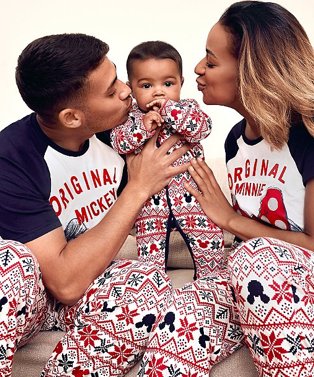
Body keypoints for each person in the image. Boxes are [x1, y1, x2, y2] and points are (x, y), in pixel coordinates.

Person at [137, 1, 314, 376]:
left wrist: (230, 220)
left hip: (288, 280)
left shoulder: (307, 135)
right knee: (184, 313)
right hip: (254, 285)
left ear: (252, 72)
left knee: (256, 256)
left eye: (211, 61)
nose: (198, 69)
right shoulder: (236, 141)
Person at [0, 33, 191, 376]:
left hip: (93, 287)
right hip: (30, 299)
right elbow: (64, 284)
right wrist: (138, 187)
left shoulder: (122, 127)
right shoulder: (12, 157)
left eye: (117, 75)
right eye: (109, 91)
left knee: (146, 277)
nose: (126, 90)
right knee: (11, 264)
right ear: (72, 118)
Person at [111, 41, 223, 279]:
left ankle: (211, 283)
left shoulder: (187, 109)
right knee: (149, 261)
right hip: (150, 204)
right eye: (147, 85)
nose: (158, 91)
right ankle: (155, 290)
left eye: (168, 83)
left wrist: (171, 111)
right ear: (132, 88)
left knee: (209, 246)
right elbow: (120, 142)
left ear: (181, 83)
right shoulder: (130, 118)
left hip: (193, 197)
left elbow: (202, 129)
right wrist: (142, 127)